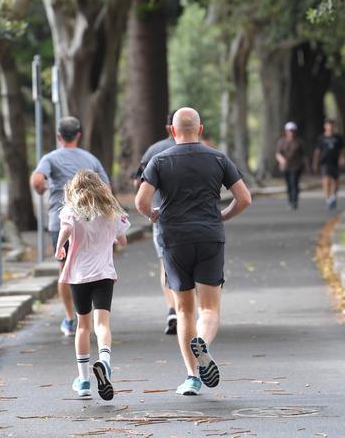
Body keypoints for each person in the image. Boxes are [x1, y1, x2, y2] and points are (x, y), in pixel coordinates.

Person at [135, 107, 252, 396]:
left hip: (174, 239)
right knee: (209, 308)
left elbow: (140, 202)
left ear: (172, 131)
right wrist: (222, 216)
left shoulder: (159, 160)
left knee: (184, 309)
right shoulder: (218, 158)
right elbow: (244, 199)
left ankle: (191, 377)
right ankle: (203, 343)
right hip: (210, 235)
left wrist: (154, 215)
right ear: (200, 130)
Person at [30, 117, 110, 337]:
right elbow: (107, 188)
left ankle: (70, 318)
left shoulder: (50, 158)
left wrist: (44, 189)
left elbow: (37, 181)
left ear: (58, 137)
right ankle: (93, 317)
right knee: (91, 266)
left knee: (65, 269)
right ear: (78, 135)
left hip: (60, 222)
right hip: (90, 223)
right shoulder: (90, 159)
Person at [55, 170, 130, 400]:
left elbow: (66, 229)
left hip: (79, 275)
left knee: (82, 326)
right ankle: (105, 362)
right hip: (104, 274)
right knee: (102, 324)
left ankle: (84, 381)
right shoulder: (111, 211)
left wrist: (60, 247)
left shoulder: (71, 210)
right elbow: (123, 240)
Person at [134, 111, 177, 335]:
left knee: (165, 263)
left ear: (169, 127)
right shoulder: (207, 151)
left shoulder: (154, 151)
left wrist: (150, 212)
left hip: (162, 214)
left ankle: (172, 309)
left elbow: (137, 182)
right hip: (196, 218)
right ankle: (188, 312)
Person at [313, 118, 345, 210]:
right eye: (328, 125)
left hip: (335, 162)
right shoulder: (321, 138)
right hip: (324, 162)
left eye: (331, 125)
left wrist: (342, 158)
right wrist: (315, 163)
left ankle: (333, 197)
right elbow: (317, 151)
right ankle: (327, 200)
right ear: (325, 126)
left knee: (335, 182)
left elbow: (343, 150)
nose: (330, 127)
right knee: (326, 180)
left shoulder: (338, 138)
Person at [275, 121, 307, 210]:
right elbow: (278, 153)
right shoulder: (281, 141)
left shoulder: (299, 142)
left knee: (294, 183)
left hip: (296, 166)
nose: (291, 132)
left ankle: (294, 201)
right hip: (286, 166)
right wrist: (282, 160)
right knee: (288, 184)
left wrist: (306, 166)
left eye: (292, 131)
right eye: (289, 131)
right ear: (286, 131)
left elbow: (303, 155)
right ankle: (290, 200)